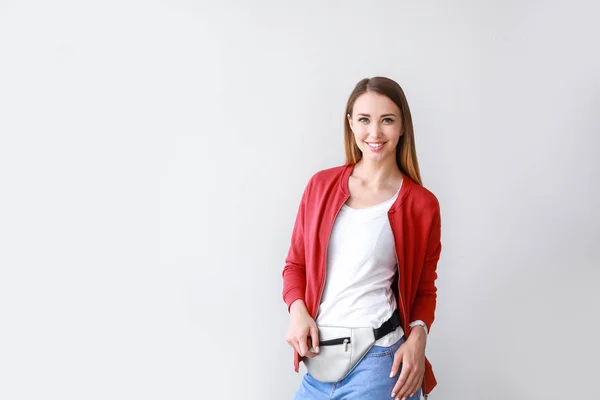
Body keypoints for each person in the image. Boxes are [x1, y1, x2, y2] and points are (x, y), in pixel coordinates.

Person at [282, 76, 443, 400]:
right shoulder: (320, 187)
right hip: (319, 361)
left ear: (401, 127)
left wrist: (418, 337)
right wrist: (297, 312)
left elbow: (425, 287)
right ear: (351, 124)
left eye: (387, 120)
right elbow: (295, 265)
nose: (375, 132)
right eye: (365, 120)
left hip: (380, 362)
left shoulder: (421, 205)